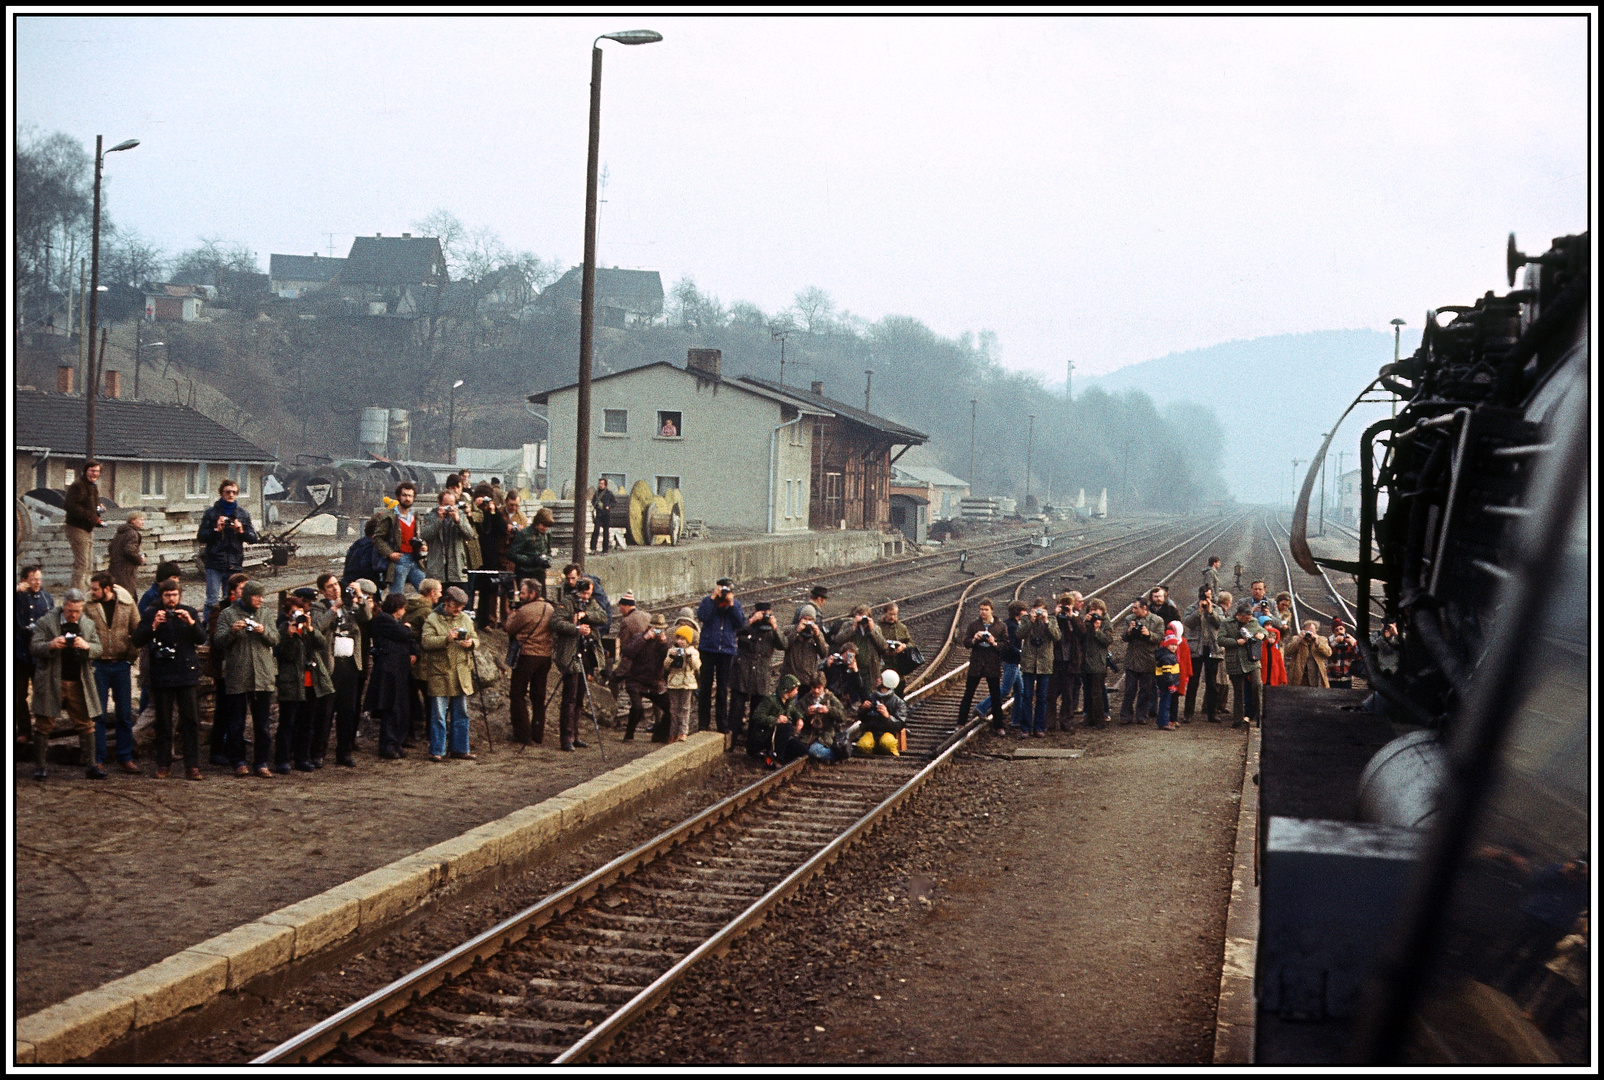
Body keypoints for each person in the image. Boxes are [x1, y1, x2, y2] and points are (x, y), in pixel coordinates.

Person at [130, 577, 207, 779]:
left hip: (186, 673)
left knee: (190, 721)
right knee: (163, 721)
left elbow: (202, 638)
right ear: (161, 596)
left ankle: (192, 766)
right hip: (162, 674)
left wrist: (191, 623)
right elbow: (137, 640)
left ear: (179, 595)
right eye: (167, 595)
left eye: (174, 595)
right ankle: (163, 764)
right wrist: (153, 625)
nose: (171, 599)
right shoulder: (151, 613)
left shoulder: (189, 612)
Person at [28, 587, 103, 779]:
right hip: (52, 680)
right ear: (63, 606)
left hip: (79, 682)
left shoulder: (87, 624)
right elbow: (34, 647)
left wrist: (87, 647)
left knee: (86, 724)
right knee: (44, 723)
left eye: (77, 611)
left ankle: (91, 766)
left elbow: (98, 648)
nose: (73, 615)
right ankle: (40, 767)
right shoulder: (46, 622)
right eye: (70, 611)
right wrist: (50, 645)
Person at [216, 580, 280, 777]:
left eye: (262, 596)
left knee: (262, 724)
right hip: (238, 675)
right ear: (246, 596)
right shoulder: (227, 614)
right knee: (236, 723)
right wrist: (232, 631)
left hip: (262, 675)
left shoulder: (265, 613)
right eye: (256, 596)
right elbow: (218, 642)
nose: (261, 600)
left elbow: (276, 639)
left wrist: (264, 632)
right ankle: (239, 761)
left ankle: (261, 762)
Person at [85, 573, 141, 773]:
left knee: (124, 713)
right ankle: (98, 758)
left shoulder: (126, 603)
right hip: (97, 666)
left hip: (120, 665)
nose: (92, 593)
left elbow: (138, 630)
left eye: (96, 589)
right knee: (97, 713)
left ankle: (125, 756)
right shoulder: (88, 605)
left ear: (107, 589)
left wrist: (130, 657)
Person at [314, 573, 370, 767]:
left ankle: (344, 752)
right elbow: (317, 627)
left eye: (336, 584)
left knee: (348, 710)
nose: (335, 589)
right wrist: (334, 608)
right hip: (331, 664)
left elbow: (367, 617)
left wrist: (360, 596)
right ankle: (318, 752)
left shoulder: (350, 605)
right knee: (325, 711)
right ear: (323, 590)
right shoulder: (319, 607)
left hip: (350, 663)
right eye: (330, 586)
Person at [421, 586, 479, 761]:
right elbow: (426, 642)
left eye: (461, 606)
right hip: (440, 673)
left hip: (461, 674)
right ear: (447, 602)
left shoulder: (465, 619)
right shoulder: (432, 619)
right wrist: (446, 639)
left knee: (461, 713)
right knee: (438, 715)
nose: (458, 610)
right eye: (456, 606)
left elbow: (476, 638)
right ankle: (437, 750)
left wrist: (471, 643)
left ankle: (460, 749)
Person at [273, 594, 329, 773]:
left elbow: (321, 644)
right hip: (291, 682)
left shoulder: (307, 628)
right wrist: (290, 636)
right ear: (288, 615)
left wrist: (310, 629)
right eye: (294, 613)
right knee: (287, 723)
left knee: (307, 722)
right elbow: (286, 656)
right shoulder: (282, 630)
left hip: (310, 681)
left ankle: (302, 758)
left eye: (301, 612)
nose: (298, 616)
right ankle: (282, 759)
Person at [553, 577, 608, 751]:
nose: (586, 597)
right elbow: (555, 622)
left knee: (580, 698)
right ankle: (566, 737)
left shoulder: (591, 603)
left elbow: (603, 616)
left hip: (586, 654)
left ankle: (576, 735)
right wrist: (575, 627)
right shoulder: (567, 603)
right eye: (584, 593)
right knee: (569, 697)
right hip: (571, 652)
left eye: (589, 594)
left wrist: (586, 616)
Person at [197, 478, 259, 629]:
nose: (231, 495)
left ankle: (227, 628)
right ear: (221, 493)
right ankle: (208, 628)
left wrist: (241, 530)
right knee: (212, 600)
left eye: (234, 492)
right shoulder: (212, 513)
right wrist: (216, 530)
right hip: (214, 562)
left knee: (230, 599)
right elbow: (201, 537)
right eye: (227, 492)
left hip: (234, 563)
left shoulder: (243, 514)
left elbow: (253, 538)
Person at [504, 578, 557, 745]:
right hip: (545, 657)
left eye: (523, 592)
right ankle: (537, 733)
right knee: (539, 696)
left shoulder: (525, 611)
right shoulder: (550, 608)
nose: (520, 596)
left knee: (517, 694)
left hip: (527, 656)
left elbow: (510, 629)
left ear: (532, 594)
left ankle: (523, 733)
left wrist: (511, 615)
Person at [367, 593, 420, 759]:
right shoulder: (383, 619)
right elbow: (404, 634)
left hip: (399, 671)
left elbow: (410, 641)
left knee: (402, 708)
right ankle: (388, 745)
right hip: (389, 671)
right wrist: (407, 628)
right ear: (398, 608)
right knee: (391, 708)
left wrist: (413, 649)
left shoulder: (392, 622)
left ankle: (397, 742)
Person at [206, 572, 248, 765]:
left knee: (239, 709)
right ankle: (217, 750)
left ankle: (234, 743)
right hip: (225, 666)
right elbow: (215, 637)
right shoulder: (220, 609)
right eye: (242, 589)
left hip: (244, 665)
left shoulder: (250, 608)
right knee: (223, 709)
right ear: (233, 591)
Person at [695, 578, 746, 734]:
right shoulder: (708, 601)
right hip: (708, 648)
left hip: (726, 650)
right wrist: (712, 599)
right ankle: (703, 723)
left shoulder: (735, 604)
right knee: (705, 687)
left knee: (722, 689)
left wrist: (731, 605)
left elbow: (740, 623)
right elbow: (703, 616)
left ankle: (721, 724)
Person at [731, 601, 785, 740]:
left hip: (761, 672)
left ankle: (753, 740)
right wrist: (751, 621)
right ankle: (732, 737)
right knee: (736, 708)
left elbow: (783, 644)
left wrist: (775, 627)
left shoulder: (771, 629)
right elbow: (734, 632)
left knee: (758, 709)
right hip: (743, 670)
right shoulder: (748, 623)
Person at [16, 566, 54, 748]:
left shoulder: (47, 599)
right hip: (20, 654)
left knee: (42, 693)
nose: (37, 582)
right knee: (18, 695)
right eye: (33, 579)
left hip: (40, 655)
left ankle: (42, 729)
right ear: (24, 580)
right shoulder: (17, 597)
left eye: (39, 578)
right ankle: (24, 729)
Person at [403, 579, 444, 746]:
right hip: (424, 661)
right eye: (439, 591)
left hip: (411, 659)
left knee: (411, 697)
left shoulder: (410, 607)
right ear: (432, 593)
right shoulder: (427, 613)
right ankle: (430, 733)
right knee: (430, 699)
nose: (441, 595)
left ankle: (410, 733)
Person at [956, 598, 1007, 731]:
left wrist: (993, 642)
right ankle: (960, 723)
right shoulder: (974, 625)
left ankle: (999, 725)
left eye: (986, 610)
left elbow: (1005, 645)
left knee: (995, 696)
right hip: (976, 664)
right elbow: (966, 642)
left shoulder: (1000, 626)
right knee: (968, 694)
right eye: (981, 610)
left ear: (992, 610)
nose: (983, 612)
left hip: (992, 665)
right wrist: (974, 639)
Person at [621, 613, 673, 742]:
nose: (658, 632)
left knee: (671, 708)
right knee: (637, 707)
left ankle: (660, 734)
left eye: (661, 629)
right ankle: (629, 733)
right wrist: (645, 638)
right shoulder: (639, 637)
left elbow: (667, 659)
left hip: (654, 682)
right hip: (636, 680)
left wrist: (664, 643)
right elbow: (628, 652)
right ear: (650, 627)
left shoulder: (663, 643)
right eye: (656, 629)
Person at [975, 600, 1027, 723]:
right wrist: (1021, 653)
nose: (1026, 613)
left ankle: (1017, 720)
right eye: (1024, 610)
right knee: (1005, 690)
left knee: (1020, 691)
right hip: (1011, 661)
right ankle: (982, 707)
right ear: (1019, 612)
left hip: (1009, 660)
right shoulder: (1013, 627)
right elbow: (1010, 645)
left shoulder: (1008, 623)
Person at [373, 482, 429, 596]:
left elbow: (420, 535)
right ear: (398, 496)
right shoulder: (390, 516)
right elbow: (377, 538)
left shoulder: (415, 516)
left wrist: (422, 546)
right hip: (399, 561)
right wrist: (389, 553)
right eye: (404, 495)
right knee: (397, 597)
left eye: (410, 496)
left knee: (428, 591)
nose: (407, 498)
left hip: (415, 560)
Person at [1015, 597, 1060, 737]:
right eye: (1036, 609)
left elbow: (1057, 637)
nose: (1039, 612)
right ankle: (1025, 728)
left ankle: (1040, 727)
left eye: (1041, 609)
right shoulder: (1026, 619)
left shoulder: (1052, 620)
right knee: (1027, 696)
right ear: (1032, 609)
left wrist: (1046, 622)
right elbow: (1019, 634)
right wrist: (1031, 621)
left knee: (1042, 697)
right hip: (1029, 662)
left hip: (1045, 663)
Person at [1220, 600, 1268, 729]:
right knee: (1238, 690)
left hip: (1251, 659)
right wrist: (1236, 642)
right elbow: (1220, 639)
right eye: (1246, 618)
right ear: (1239, 615)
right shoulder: (1226, 623)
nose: (1248, 620)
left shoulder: (1253, 622)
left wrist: (1262, 635)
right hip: (1235, 660)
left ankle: (1259, 715)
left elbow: (1265, 632)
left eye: (1249, 617)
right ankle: (1238, 719)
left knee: (1257, 684)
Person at [1119, 596, 1164, 725]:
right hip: (1132, 659)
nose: (1133, 610)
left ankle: (1142, 715)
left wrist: (1148, 634)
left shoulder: (1157, 621)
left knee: (1146, 690)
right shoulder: (1129, 619)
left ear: (1144, 608)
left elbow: (1160, 637)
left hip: (1148, 659)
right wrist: (1129, 632)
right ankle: (1126, 714)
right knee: (1129, 689)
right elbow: (1124, 638)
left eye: (1136, 608)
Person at [469, 483, 508, 629]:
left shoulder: (493, 514)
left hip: (489, 555)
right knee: (471, 588)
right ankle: (469, 618)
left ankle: (483, 621)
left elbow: (503, 530)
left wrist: (494, 512)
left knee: (486, 590)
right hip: (473, 554)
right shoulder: (471, 511)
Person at [421, 489, 474, 596]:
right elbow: (425, 535)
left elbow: (470, 535)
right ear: (439, 503)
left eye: (451, 505)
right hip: (437, 566)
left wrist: (458, 521)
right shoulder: (431, 516)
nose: (449, 509)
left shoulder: (460, 515)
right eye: (446, 505)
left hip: (456, 566)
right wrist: (438, 521)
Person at [611, 591, 651, 730]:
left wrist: (619, 668)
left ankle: (612, 714)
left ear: (627, 606)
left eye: (621, 606)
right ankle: (659, 722)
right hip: (650, 662)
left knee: (613, 679)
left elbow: (625, 648)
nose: (620, 609)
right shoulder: (647, 615)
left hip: (634, 663)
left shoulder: (626, 622)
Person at [1184, 588, 1225, 722]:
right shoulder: (1191, 608)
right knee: (1193, 681)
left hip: (1212, 648)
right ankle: (1188, 713)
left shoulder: (1217, 609)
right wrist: (1199, 612)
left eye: (1209, 597)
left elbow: (1221, 624)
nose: (1207, 600)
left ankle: (1211, 713)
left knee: (1212, 682)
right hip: (1196, 648)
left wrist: (1210, 612)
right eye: (1204, 596)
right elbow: (1188, 623)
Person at [63, 459, 104, 592]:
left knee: (88, 564)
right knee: (81, 563)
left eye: (97, 471)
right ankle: (76, 594)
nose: (95, 474)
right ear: (85, 471)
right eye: (92, 470)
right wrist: (91, 516)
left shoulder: (92, 486)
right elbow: (70, 506)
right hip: (77, 528)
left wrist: (98, 507)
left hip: (87, 528)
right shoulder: (78, 485)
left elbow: (92, 502)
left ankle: (86, 592)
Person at [1046, 591, 1084, 731]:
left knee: (1068, 695)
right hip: (1054, 661)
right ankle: (1049, 722)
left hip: (1070, 661)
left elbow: (1082, 632)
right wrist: (1055, 616)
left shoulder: (1075, 618)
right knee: (1051, 694)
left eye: (1068, 606)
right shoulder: (1052, 618)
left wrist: (1071, 616)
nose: (1065, 608)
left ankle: (1066, 722)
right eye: (1063, 606)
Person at [749, 673, 806, 764]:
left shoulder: (789, 701)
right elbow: (757, 716)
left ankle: (783, 756)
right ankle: (776, 757)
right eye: (795, 690)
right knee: (787, 728)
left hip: (780, 737)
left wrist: (799, 718)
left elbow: (793, 710)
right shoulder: (770, 700)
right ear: (788, 690)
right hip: (767, 735)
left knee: (802, 750)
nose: (797, 692)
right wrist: (776, 720)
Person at [833, 603, 890, 692]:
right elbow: (838, 640)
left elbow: (883, 646)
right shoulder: (848, 625)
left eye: (864, 616)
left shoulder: (875, 628)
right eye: (859, 615)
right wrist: (853, 628)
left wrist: (872, 630)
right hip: (850, 667)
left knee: (868, 695)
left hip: (869, 670)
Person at [854, 668, 909, 756]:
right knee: (863, 746)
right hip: (871, 731)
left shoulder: (898, 702)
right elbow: (861, 718)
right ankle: (872, 751)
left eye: (881, 679)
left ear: (886, 682)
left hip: (888, 732)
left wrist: (887, 716)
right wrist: (862, 709)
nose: (877, 680)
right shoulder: (872, 697)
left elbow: (900, 724)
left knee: (887, 744)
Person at [662, 624, 702, 743]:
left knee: (685, 708)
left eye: (683, 639)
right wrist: (671, 657)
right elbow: (666, 666)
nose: (680, 642)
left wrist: (689, 656)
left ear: (688, 641)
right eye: (678, 639)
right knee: (673, 709)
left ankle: (683, 732)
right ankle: (672, 733)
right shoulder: (671, 651)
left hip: (687, 682)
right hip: (674, 682)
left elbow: (697, 666)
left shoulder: (693, 652)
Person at [1078, 599, 1114, 729]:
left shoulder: (1106, 623)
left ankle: (1099, 719)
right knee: (1087, 690)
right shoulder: (1086, 622)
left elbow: (1108, 640)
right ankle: (1088, 717)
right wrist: (1084, 623)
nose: (1093, 613)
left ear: (1102, 611)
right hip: (1085, 661)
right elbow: (1079, 637)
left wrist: (1097, 630)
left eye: (1096, 610)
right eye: (1091, 610)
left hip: (1098, 661)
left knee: (1097, 691)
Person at [783, 604, 830, 684]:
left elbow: (824, 653)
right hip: (792, 676)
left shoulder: (817, 633)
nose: (807, 622)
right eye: (805, 619)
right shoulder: (790, 630)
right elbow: (784, 645)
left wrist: (817, 636)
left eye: (810, 619)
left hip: (808, 679)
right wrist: (797, 631)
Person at [342, 515, 390, 590]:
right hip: (362, 585)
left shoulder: (359, 543)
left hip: (349, 581)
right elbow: (366, 567)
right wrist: (377, 583)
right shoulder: (372, 545)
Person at [508, 507, 555, 583]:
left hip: (540, 573)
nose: (545, 528)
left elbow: (548, 551)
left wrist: (548, 560)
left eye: (547, 526)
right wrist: (532, 560)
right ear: (537, 522)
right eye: (543, 525)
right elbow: (512, 554)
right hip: (525, 573)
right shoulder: (524, 534)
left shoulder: (547, 534)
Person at [1284, 619, 1333, 687]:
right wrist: (1299, 641)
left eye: (1312, 631)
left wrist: (1317, 643)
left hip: (1316, 675)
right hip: (1300, 676)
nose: (1309, 634)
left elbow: (1328, 653)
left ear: (1316, 631)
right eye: (1307, 631)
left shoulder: (1322, 639)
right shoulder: (1296, 639)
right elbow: (1287, 651)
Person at [108, 511, 147, 595]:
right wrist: (139, 559)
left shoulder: (120, 533)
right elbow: (130, 550)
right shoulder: (132, 533)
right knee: (127, 595)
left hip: (114, 567)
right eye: (140, 519)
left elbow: (110, 547)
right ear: (133, 520)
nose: (142, 522)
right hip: (126, 570)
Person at [1154, 621, 1184, 730]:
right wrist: (1171, 684)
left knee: (1165, 702)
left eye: (1175, 645)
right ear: (1166, 644)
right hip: (1167, 684)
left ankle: (1163, 721)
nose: (1174, 647)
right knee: (1165, 703)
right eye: (1171, 645)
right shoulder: (1168, 657)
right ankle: (1163, 722)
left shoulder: (1166, 655)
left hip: (1164, 683)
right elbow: (1167, 673)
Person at [879, 603, 917, 678]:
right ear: (885, 613)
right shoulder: (878, 628)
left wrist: (903, 646)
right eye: (890, 614)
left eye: (895, 614)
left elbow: (911, 643)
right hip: (883, 664)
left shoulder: (901, 628)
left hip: (899, 664)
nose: (892, 617)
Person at [824, 641, 866, 706]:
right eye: (848, 655)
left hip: (848, 701)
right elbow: (827, 681)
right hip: (833, 697)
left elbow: (859, 687)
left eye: (852, 656)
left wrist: (855, 671)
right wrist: (828, 667)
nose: (849, 658)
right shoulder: (834, 665)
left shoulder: (853, 670)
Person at [1327, 618, 1360, 689]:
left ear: (1344, 629)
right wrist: (1335, 642)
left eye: (1341, 629)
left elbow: (1358, 656)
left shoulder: (1350, 641)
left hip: (1346, 677)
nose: (1339, 631)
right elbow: (1327, 653)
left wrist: (1353, 645)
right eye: (1336, 630)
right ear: (1334, 632)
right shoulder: (1330, 641)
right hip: (1332, 677)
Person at [590, 477, 617, 554]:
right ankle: (593, 549)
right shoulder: (596, 493)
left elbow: (614, 502)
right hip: (598, 514)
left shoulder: (609, 493)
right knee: (595, 531)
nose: (600, 485)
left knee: (606, 532)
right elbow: (593, 501)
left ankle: (605, 550)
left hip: (606, 514)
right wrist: (596, 505)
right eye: (599, 483)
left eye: (602, 484)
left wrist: (609, 506)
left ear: (605, 485)